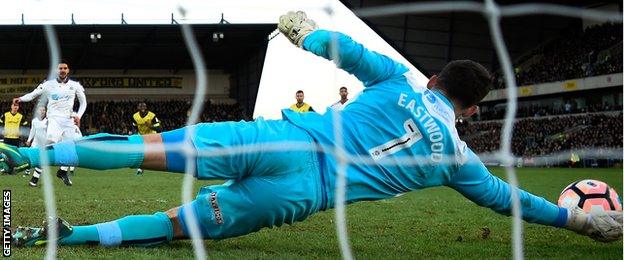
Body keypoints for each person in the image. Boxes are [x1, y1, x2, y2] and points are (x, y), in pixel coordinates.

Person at [4, 11, 621, 248]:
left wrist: (303, 32)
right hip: (302, 194)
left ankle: (14, 158)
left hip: (287, 138)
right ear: (474, 109)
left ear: (436, 80)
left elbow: (348, 51)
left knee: (150, 150)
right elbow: (515, 200)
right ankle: (63, 236)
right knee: (176, 227)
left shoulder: (404, 84)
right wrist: (579, 219)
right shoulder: (460, 161)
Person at [12, 59, 87, 186]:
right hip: (54, 120)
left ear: (68, 70)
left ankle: (63, 172)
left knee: (72, 149)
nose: (62, 70)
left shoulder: (75, 85)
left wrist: (78, 116)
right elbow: (33, 94)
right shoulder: (48, 84)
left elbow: (83, 102)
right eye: (60, 68)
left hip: (69, 121)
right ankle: (35, 177)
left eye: (65, 68)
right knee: (48, 147)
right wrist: (20, 99)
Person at [131, 102, 162, 175]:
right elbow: (134, 126)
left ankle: (142, 168)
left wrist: (150, 126)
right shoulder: (135, 116)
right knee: (142, 152)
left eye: (143, 107)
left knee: (147, 153)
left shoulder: (152, 116)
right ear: (138, 108)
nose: (142, 109)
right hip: (141, 136)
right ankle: (141, 168)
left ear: (146, 108)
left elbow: (159, 129)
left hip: (151, 136)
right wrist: (134, 132)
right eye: (140, 107)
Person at [24, 106, 48, 187]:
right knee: (30, 157)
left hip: (44, 144)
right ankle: (27, 170)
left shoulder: (48, 121)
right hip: (35, 143)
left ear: (45, 111)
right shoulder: (34, 121)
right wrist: (29, 140)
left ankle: (34, 179)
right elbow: (32, 131)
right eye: (41, 110)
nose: (42, 111)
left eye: (44, 110)